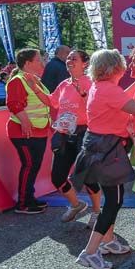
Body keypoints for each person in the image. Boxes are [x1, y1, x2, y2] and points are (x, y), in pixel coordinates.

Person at [72, 49, 135, 269]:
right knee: (114, 201)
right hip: (107, 150)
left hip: (98, 146)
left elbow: (123, 96)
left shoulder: (101, 87)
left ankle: (108, 241)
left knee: (111, 198)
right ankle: (90, 252)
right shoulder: (109, 90)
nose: (127, 66)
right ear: (114, 68)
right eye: (123, 64)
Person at [50, 50, 103, 223]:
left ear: (84, 64)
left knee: (87, 177)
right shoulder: (63, 84)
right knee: (57, 177)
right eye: (68, 58)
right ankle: (76, 204)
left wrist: (83, 94)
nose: (69, 61)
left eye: (74, 58)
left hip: (84, 133)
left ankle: (97, 211)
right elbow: (52, 102)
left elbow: (97, 107)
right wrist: (35, 88)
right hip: (64, 134)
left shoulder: (91, 82)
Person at [6, 48, 57, 215]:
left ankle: (29, 198)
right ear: (27, 63)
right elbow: (14, 104)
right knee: (29, 165)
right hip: (24, 132)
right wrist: (25, 122)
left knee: (33, 166)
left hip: (38, 130)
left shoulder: (35, 80)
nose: (42, 63)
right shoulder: (18, 80)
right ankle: (22, 203)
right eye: (38, 60)